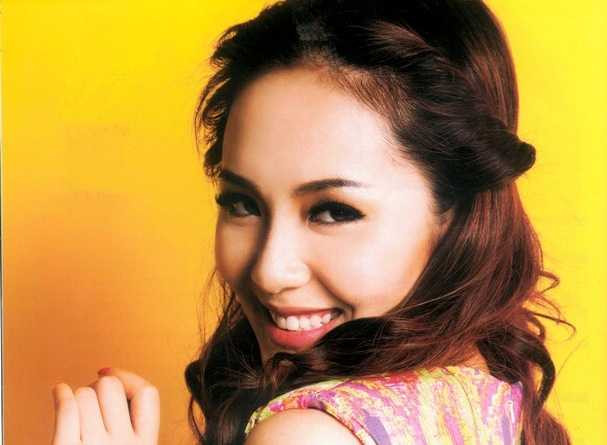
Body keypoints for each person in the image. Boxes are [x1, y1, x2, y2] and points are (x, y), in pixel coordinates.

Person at [50, 1, 573, 444]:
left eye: (334, 211)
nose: (270, 271)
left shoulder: (308, 434)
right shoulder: (487, 390)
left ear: (451, 212)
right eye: (242, 204)